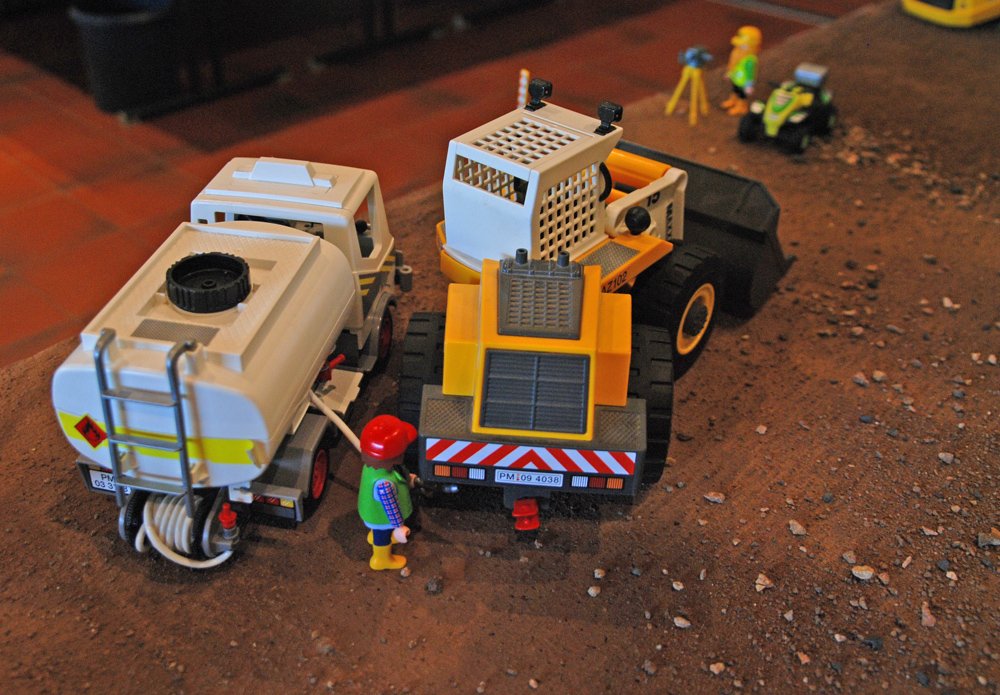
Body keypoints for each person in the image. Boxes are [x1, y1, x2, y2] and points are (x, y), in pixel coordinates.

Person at [357, 415, 417, 570]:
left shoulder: (373, 468)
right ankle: (381, 559)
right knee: (382, 538)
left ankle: (374, 535)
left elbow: (397, 474)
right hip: (381, 519)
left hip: (373, 514)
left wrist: (406, 479)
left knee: (378, 532)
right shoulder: (384, 484)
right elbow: (391, 508)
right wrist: (399, 526)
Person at [722, 26, 762, 116]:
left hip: (743, 81)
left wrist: (749, 85)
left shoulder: (750, 60)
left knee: (742, 94)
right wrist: (729, 73)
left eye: (743, 46)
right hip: (736, 78)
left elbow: (750, 74)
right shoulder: (737, 53)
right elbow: (733, 65)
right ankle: (733, 100)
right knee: (735, 90)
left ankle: (741, 107)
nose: (740, 47)